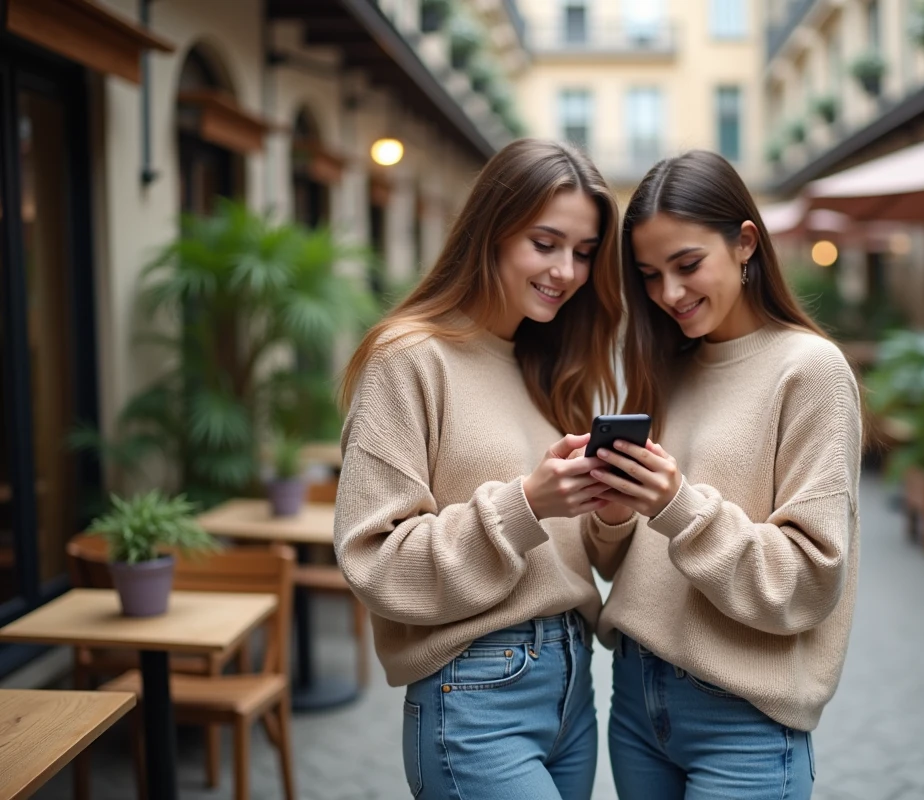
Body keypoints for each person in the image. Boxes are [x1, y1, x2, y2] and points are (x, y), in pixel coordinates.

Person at [334, 139, 623, 800]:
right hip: (476, 688)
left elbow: (577, 553)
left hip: (574, 686)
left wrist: (609, 509)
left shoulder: (544, 363)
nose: (567, 271)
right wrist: (527, 503)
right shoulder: (408, 357)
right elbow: (374, 559)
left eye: (583, 252)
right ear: (491, 230)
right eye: (545, 243)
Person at [583, 150, 862, 800]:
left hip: (744, 714)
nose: (669, 295)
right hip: (635, 699)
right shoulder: (666, 365)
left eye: (687, 266)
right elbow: (618, 562)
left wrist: (678, 505)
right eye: (650, 276)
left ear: (744, 243)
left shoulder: (810, 371)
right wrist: (615, 510)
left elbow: (807, 580)